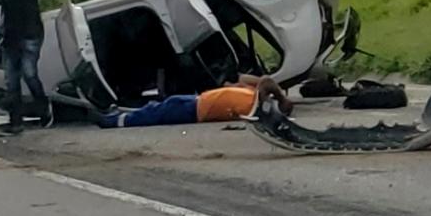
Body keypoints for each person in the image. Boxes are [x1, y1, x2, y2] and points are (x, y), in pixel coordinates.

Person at [0, 0, 53, 136]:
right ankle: (15, 122)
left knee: (29, 73)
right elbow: (6, 10)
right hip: (11, 35)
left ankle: (44, 109)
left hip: (30, 32)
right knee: (11, 80)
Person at [96, 75, 292, 129]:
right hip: (196, 100)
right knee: (155, 109)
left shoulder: (254, 107)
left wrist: (281, 99)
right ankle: (120, 114)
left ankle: (114, 121)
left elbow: (267, 82)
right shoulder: (250, 93)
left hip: (195, 110)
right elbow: (250, 80)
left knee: (154, 114)